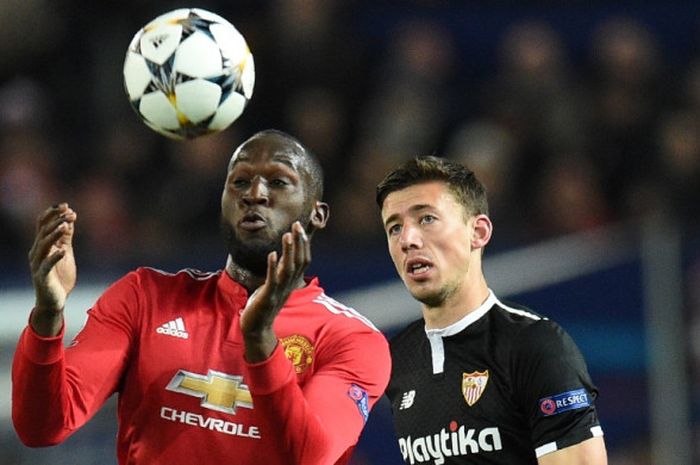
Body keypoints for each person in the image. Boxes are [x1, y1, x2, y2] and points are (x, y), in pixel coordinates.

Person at [12, 129, 391, 465]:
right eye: (239, 182)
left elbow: (308, 458)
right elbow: (42, 426)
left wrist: (260, 343)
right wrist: (48, 315)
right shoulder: (146, 297)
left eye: (278, 182)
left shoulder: (352, 340)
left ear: (317, 214)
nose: (254, 194)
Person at [375, 156, 607, 464]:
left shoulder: (534, 345)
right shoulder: (397, 358)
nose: (407, 239)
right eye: (394, 228)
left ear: (479, 232)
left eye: (427, 219)